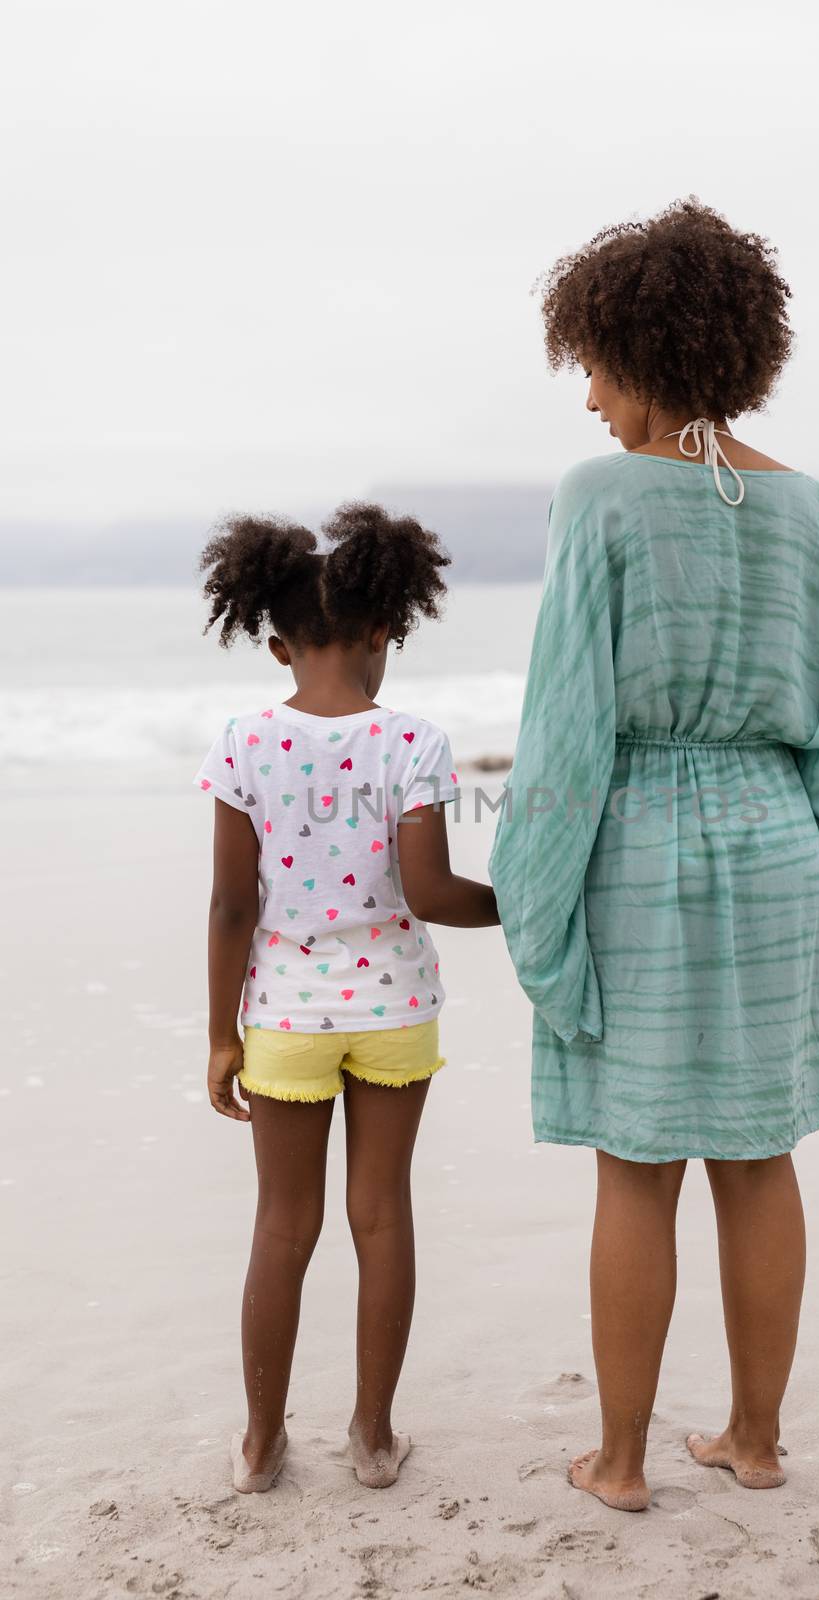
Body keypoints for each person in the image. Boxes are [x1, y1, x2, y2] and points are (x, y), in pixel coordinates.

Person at [488, 198, 819, 1510]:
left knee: (636, 1160)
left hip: (644, 847)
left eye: (595, 368)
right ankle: (755, 1443)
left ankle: (615, 1463)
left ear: (638, 350)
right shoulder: (805, 508)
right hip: (781, 845)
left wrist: (528, 900)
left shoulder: (598, 497)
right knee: (758, 1152)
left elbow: (565, 725)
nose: (590, 399)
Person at [194, 502, 498, 1494]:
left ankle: (258, 1442)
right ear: (383, 631)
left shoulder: (243, 742)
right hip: (393, 1010)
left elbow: (233, 903)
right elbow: (431, 894)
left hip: (282, 1012)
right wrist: (522, 907)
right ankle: (371, 1437)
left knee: (282, 1226)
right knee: (381, 1215)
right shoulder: (411, 741)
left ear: (275, 644)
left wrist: (217, 1035)